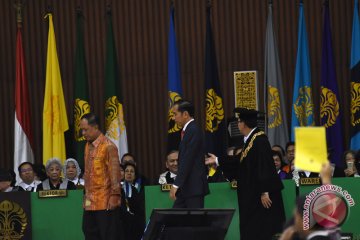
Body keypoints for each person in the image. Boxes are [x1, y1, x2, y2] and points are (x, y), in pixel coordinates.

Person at [206, 108, 285, 240]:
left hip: (260, 195)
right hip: (252, 194)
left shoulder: (260, 140)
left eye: (239, 121)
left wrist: (265, 191)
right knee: (252, 228)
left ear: (244, 123)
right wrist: (218, 160)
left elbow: (265, 165)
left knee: (260, 229)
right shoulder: (251, 139)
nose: (238, 124)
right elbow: (240, 161)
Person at [80, 113, 123, 240]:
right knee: (88, 232)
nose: (83, 133)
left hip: (105, 202)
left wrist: (115, 196)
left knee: (107, 235)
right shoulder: (87, 146)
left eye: (85, 129)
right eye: (82, 129)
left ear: (96, 127)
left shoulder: (109, 146)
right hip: (89, 201)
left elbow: (115, 174)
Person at [169, 100, 209, 208]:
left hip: (193, 188)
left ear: (185, 114)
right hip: (187, 187)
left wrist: (176, 184)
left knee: (195, 223)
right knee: (176, 219)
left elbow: (187, 159)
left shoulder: (194, 130)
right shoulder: (188, 131)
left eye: (175, 114)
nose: (173, 118)